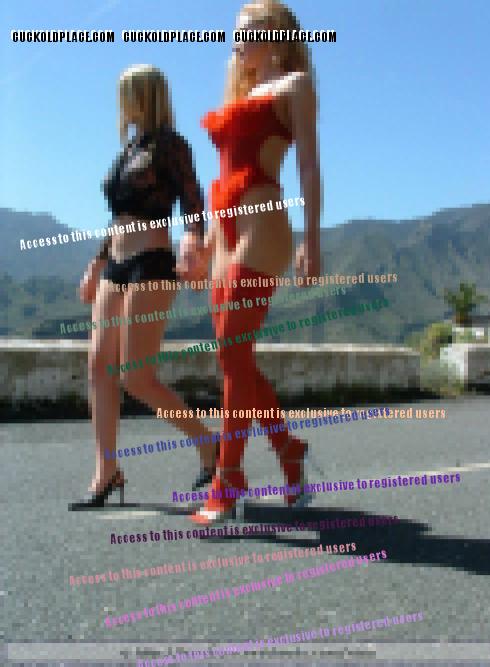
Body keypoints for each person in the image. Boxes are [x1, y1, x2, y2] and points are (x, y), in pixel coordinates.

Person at [181, 0, 322, 525]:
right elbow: (222, 174)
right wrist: (202, 244)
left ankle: (229, 476)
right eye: (234, 31)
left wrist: (312, 239)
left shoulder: (294, 86)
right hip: (225, 232)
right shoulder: (239, 95)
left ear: (277, 34)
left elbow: (308, 166)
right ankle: (288, 448)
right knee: (234, 357)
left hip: (262, 226)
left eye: (248, 30)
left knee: (233, 354)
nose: (237, 39)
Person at [70, 65, 217, 509]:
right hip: (115, 264)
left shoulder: (171, 144)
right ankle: (106, 471)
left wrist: (193, 239)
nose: (121, 104)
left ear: (144, 96)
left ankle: (208, 444)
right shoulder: (127, 151)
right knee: (98, 367)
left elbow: (193, 200)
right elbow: (117, 216)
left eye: (127, 94)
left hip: (151, 262)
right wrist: (96, 263)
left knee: (135, 377)